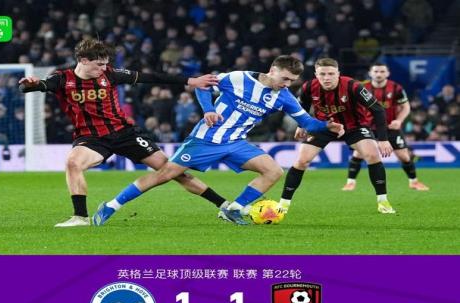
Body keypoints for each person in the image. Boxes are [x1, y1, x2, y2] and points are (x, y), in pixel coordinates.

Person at [93, 55, 344, 226]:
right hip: (206, 139)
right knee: (165, 175)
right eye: (285, 79)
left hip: (236, 142)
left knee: (273, 171)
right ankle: (111, 206)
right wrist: (208, 109)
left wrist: (326, 126)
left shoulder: (284, 96)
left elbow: (307, 122)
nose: (287, 84)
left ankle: (233, 209)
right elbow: (203, 85)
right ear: (273, 70)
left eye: (292, 81)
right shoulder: (238, 78)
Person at [19, 38, 225, 227]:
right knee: (73, 163)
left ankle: (224, 206)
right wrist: (30, 85)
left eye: (105, 64)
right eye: (99, 64)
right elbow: (37, 86)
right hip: (92, 139)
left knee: (172, 170)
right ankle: (80, 217)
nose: (103, 68)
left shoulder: (110, 74)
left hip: (125, 133)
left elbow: (151, 77)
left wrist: (191, 81)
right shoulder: (63, 79)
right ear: (83, 60)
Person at [279, 57, 396, 215]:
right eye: (322, 74)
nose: (326, 78)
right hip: (325, 126)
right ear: (316, 74)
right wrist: (301, 125)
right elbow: (303, 106)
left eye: (331, 74)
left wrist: (383, 139)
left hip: (354, 127)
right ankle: (283, 205)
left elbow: (378, 109)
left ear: (338, 73)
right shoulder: (309, 87)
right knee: (302, 161)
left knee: (372, 155)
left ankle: (383, 202)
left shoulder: (353, 86)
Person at [342, 63, 429, 191]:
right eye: (376, 71)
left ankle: (414, 182)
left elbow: (406, 107)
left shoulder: (396, 88)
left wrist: (399, 121)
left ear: (388, 73)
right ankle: (350, 183)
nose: (379, 74)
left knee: (404, 156)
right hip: (367, 127)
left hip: (390, 127)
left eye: (382, 71)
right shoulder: (361, 87)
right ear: (370, 73)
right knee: (358, 153)